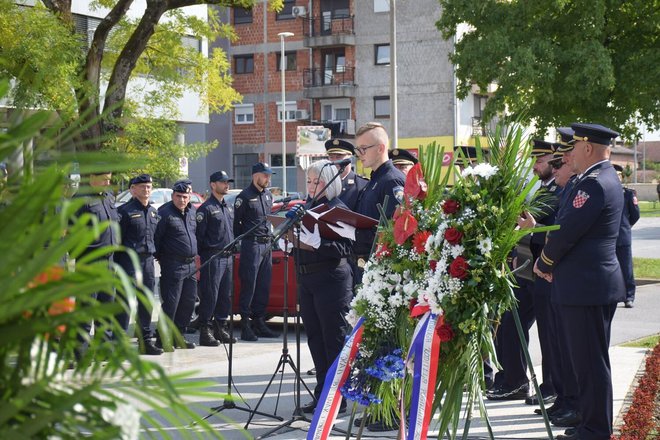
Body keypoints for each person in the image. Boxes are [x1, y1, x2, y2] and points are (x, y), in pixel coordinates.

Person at [534, 123, 625, 440]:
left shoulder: (594, 184)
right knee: (587, 361)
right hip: (587, 285)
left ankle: (596, 429)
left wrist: (544, 262)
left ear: (588, 148)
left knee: (589, 363)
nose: (568, 153)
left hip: (586, 287)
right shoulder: (597, 179)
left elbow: (566, 232)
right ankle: (590, 422)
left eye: (573, 147)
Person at [297, 160, 354, 415]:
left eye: (316, 181)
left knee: (334, 340)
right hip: (308, 280)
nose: (311, 186)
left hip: (332, 280)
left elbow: (345, 249)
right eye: (308, 181)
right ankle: (323, 392)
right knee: (315, 340)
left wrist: (317, 243)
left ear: (330, 183)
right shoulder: (308, 207)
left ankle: (337, 398)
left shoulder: (338, 209)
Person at [352, 122, 406, 283]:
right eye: (357, 150)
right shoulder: (376, 179)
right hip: (367, 265)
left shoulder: (391, 181)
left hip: (383, 271)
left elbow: (393, 230)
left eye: (363, 148)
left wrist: (353, 233)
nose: (359, 154)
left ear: (380, 148)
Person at [116, 174, 162, 355]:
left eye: (149, 186)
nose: (146, 190)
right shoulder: (124, 212)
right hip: (129, 262)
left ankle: (145, 341)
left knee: (146, 303)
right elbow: (118, 240)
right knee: (125, 304)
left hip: (148, 262)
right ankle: (120, 344)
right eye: (142, 186)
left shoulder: (153, 212)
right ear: (132, 190)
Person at [234, 163, 279, 341]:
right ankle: (245, 324)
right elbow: (236, 225)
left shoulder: (268, 196)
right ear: (255, 176)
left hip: (266, 245)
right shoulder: (244, 197)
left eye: (269, 175)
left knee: (263, 286)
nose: (268, 179)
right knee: (249, 285)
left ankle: (259, 321)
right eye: (265, 175)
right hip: (251, 245)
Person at [75, 171, 119, 347]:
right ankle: (79, 352)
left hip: (109, 262)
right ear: (92, 178)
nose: (107, 183)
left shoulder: (108, 198)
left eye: (109, 179)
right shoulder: (81, 199)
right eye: (103, 179)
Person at [154, 180, 198, 350]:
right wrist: (163, 259)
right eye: (178, 196)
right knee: (171, 304)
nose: (182, 200)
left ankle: (179, 336)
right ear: (173, 196)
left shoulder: (192, 212)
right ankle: (162, 338)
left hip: (191, 265)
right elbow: (156, 239)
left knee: (187, 303)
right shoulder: (164, 213)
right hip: (173, 264)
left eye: (185, 197)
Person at [195, 171, 237, 346]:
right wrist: (209, 252)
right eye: (223, 182)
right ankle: (205, 330)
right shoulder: (206, 208)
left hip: (227, 256)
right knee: (210, 295)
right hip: (213, 256)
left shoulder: (226, 206)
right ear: (213, 185)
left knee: (224, 296)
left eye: (227, 182)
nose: (226, 185)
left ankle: (221, 327)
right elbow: (199, 236)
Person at [612, 164, 640, 308]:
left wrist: (625, 226)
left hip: (622, 237)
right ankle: (614, 295)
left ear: (622, 177)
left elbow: (635, 215)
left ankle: (629, 296)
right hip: (607, 239)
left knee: (626, 268)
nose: (616, 178)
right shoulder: (606, 191)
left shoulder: (628, 194)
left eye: (618, 175)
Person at [324, 138, 368, 211]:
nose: (335, 161)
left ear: (350, 158)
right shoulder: (322, 183)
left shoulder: (362, 185)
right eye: (331, 157)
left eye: (339, 157)